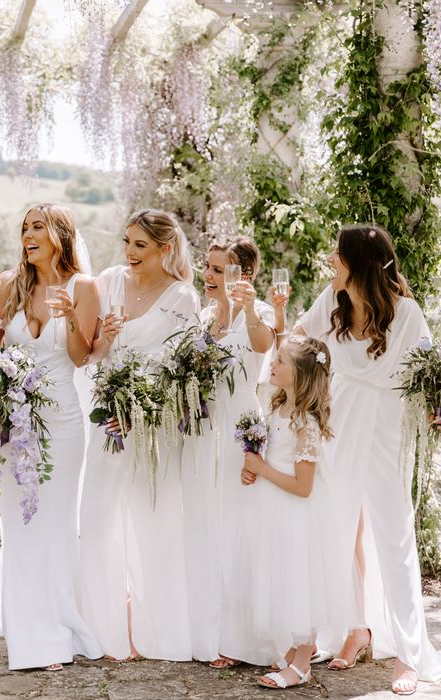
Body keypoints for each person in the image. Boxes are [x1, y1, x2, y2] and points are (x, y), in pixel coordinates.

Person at [296, 223, 441, 695]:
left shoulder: (406, 313)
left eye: (338, 254)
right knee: (336, 529)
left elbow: (434, 376)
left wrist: (437, 410)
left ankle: (409, 655)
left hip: (387, 433)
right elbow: (298, 339)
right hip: (339, 429)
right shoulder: (333, 303)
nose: (331, 258)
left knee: (393, 537)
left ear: (360, 264)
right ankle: (348, 629)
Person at [80, 208, 199, 662]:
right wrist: (105, 339)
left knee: (155, 522)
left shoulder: (183, 297)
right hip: (107, 416)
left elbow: (180, 369)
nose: (128, 252)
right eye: (126, 241)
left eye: (140, 245)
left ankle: (154, 629)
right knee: (96, 522)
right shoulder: (108, 282)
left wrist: (145, 409)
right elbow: (88, 355)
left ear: (165, 249)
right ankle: (102, 628)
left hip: (153, 424)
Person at [0, 203, 102, 671]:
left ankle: (58, 631)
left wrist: (73, 317)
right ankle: (26, 634)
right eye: (24, 228)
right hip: (14, 420)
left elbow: (79, 357)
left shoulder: (84, 287)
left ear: (60, 234)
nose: (28, 235)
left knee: (54, 523)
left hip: (61, 419)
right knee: (19, 525)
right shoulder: (6, 285)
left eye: (37, 227)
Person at [180, 237, 274, 664]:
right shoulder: (201, 319)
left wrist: (250, 307)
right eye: (208, 267)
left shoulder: (260, 315)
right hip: (201, 432)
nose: (210, 276)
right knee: (204, 525)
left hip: (240, 429)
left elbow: (261, 346)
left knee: (239, 530)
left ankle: (240, 638)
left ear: (244, 275)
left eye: (220, 269)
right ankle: (205, 630)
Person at [226, 336, 335, 689]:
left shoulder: (306, 423)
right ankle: (295, 648)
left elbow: (304, 486)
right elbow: (268, 460)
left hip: (295, 514)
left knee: (299, 581)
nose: (272, 364)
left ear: (300, 375)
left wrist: (262, 469)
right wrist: (251, 470)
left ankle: (303, 662)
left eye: (281, 361)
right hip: (271, 509)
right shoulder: (275, 409)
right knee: (281, 577)